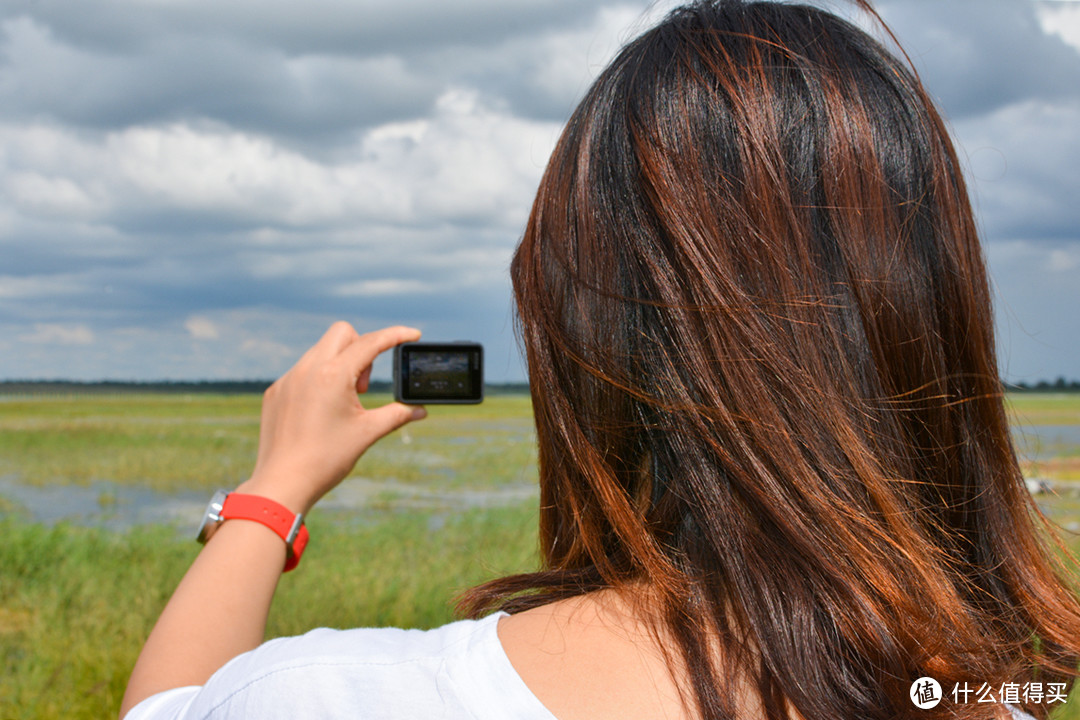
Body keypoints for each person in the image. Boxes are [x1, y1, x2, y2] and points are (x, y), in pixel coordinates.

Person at [120, 1, 1080, 719]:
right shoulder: (989, 694)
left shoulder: (341, 697)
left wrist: (271, 493)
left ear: (577, 334)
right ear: (930, 315)